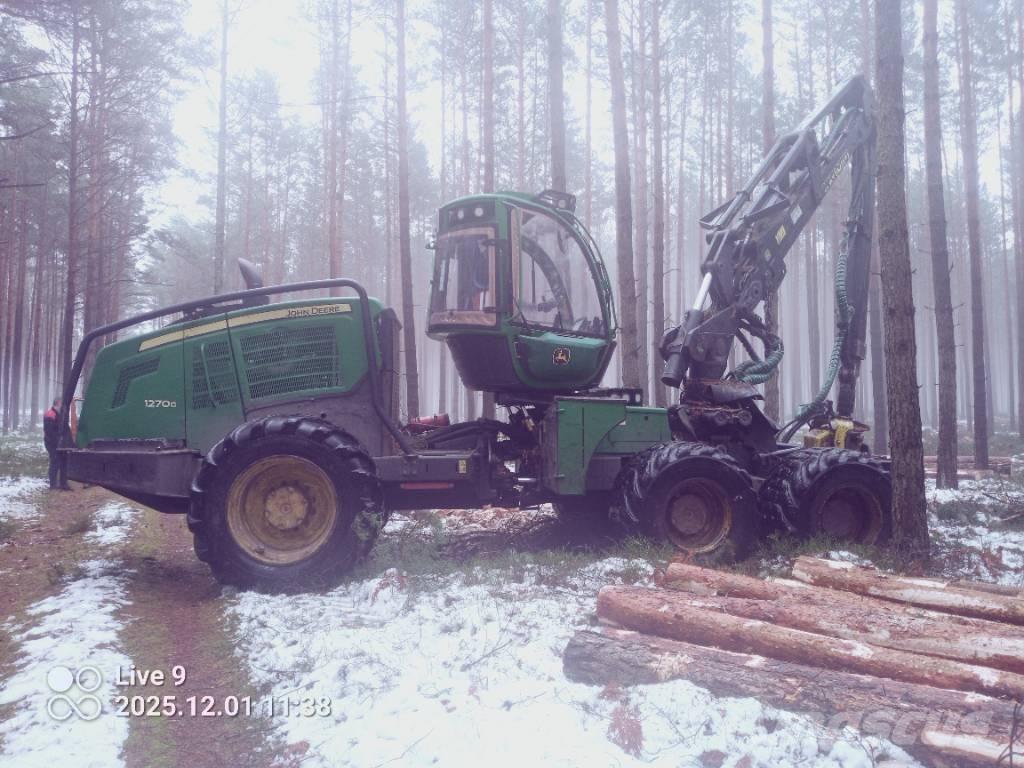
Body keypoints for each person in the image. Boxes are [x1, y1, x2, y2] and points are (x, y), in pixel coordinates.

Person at [43, 397, 69, 490]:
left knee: (64, 462)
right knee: (55, 462)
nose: (63, 405)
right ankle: (53, 485)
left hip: (61, 443)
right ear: (58, 403)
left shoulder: (61, 414)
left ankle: (64, 484)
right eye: (62, 403)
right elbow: (49, 431)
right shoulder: (50, 414)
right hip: (52, 443)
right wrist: (57, 441)